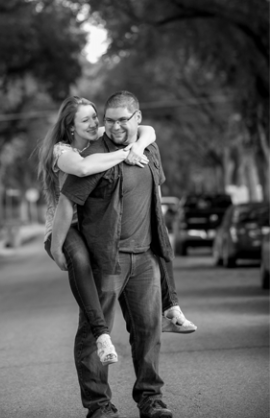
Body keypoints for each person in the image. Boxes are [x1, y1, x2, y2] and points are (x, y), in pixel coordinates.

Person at [37, 97, 197, 366]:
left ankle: (170, 309)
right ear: (71, 126)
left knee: (156, 232)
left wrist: (139, 145)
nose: (95, 123)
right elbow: (83, 168)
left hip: (93, 225)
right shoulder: (62, 152)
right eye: (85, 119)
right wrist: (127, 153)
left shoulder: (97, 138)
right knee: (82, 261)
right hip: (65, 229)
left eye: (95, 117)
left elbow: (147, 130)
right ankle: (101, 335)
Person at [51, 91, 177, 418]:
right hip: (106, 259)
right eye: (109, 120)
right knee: (96, 332)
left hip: (145, 257)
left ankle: (151, 399)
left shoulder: (148, 148)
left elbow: (156, 193)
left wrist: (160, 244)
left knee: (149, 331)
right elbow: (67, 203)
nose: (115, 125)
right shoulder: (94, 154)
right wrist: (56, 245)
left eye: (123, 119)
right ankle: (99, 406)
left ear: (137, 118)